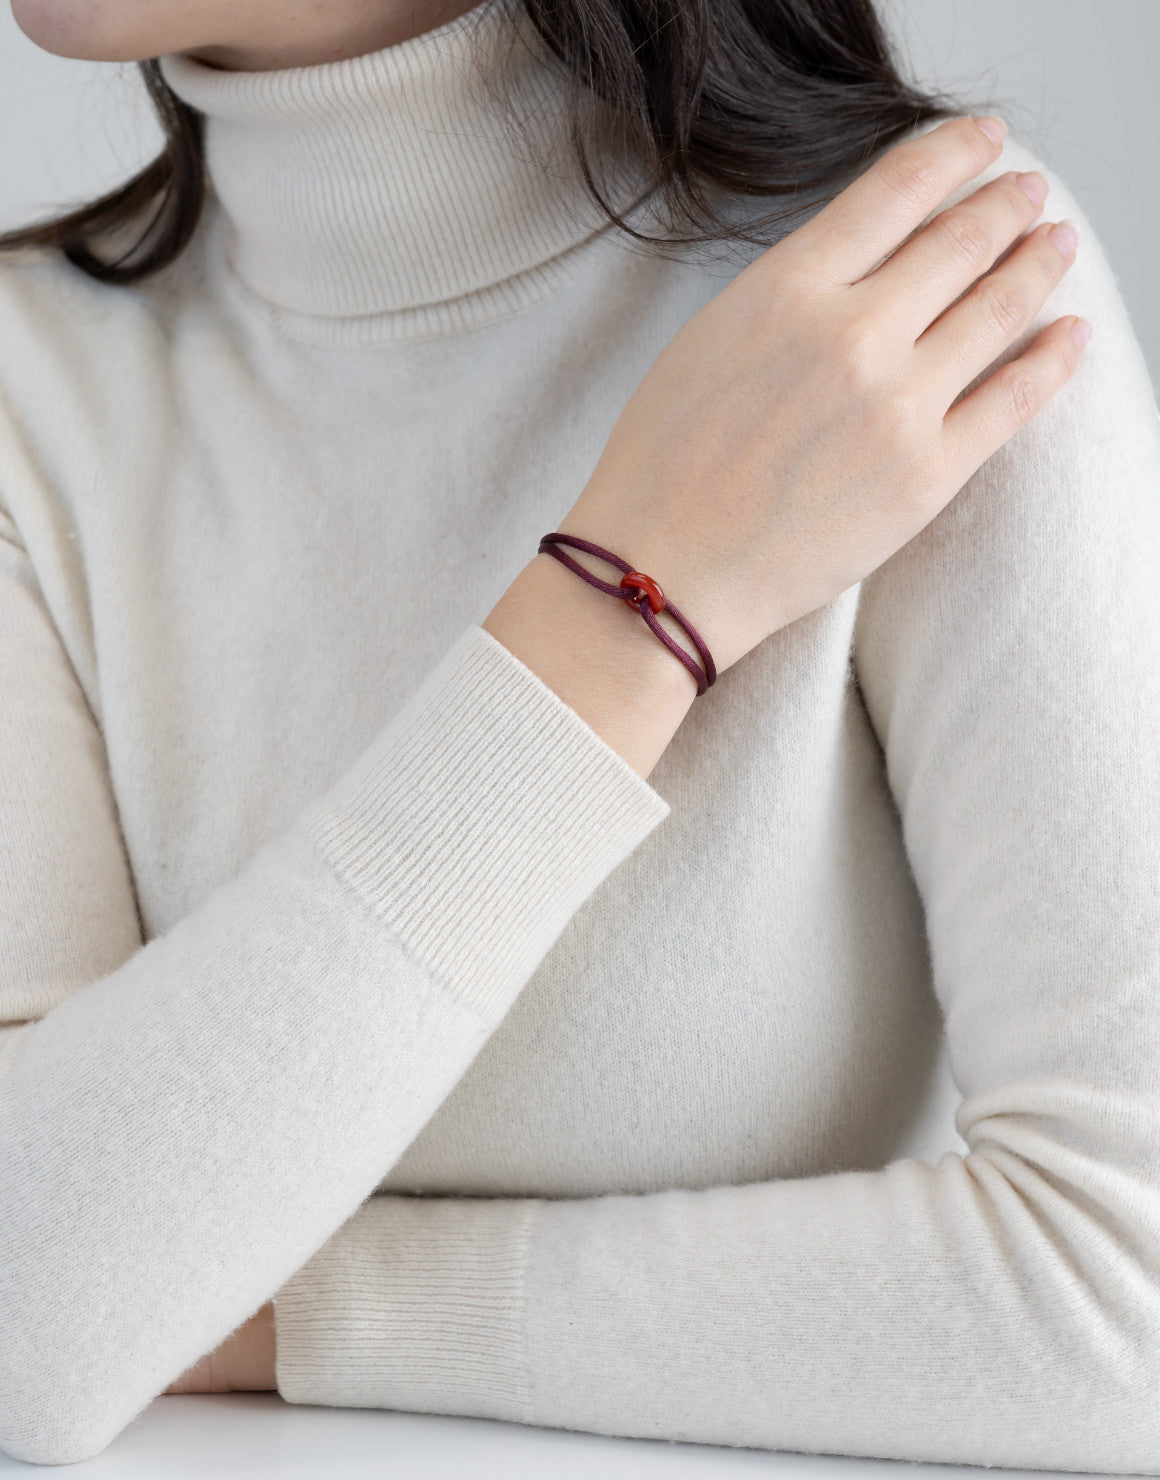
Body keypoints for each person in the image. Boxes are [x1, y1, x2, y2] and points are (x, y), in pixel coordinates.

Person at [1, 0, 1157, 1468]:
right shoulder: (25, 385)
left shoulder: (908, 305)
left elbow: (1126, 1298)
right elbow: (22, 1296)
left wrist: (277, 1307)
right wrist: (630, 598)